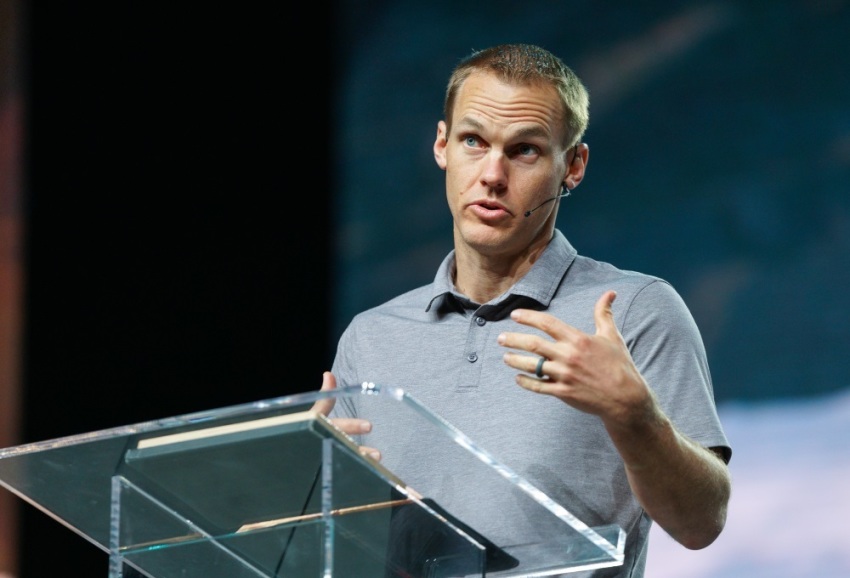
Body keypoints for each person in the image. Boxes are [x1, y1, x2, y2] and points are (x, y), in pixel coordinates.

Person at [314, 43, 731, 577]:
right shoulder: (370, 338)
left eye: (525, 150)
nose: (492, 174)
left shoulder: (632, 311)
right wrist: (304, 496)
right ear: (442, 146)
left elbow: (702, 523)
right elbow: (343, 542)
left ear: (573, 166)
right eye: (472, 141)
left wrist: (636, 415)